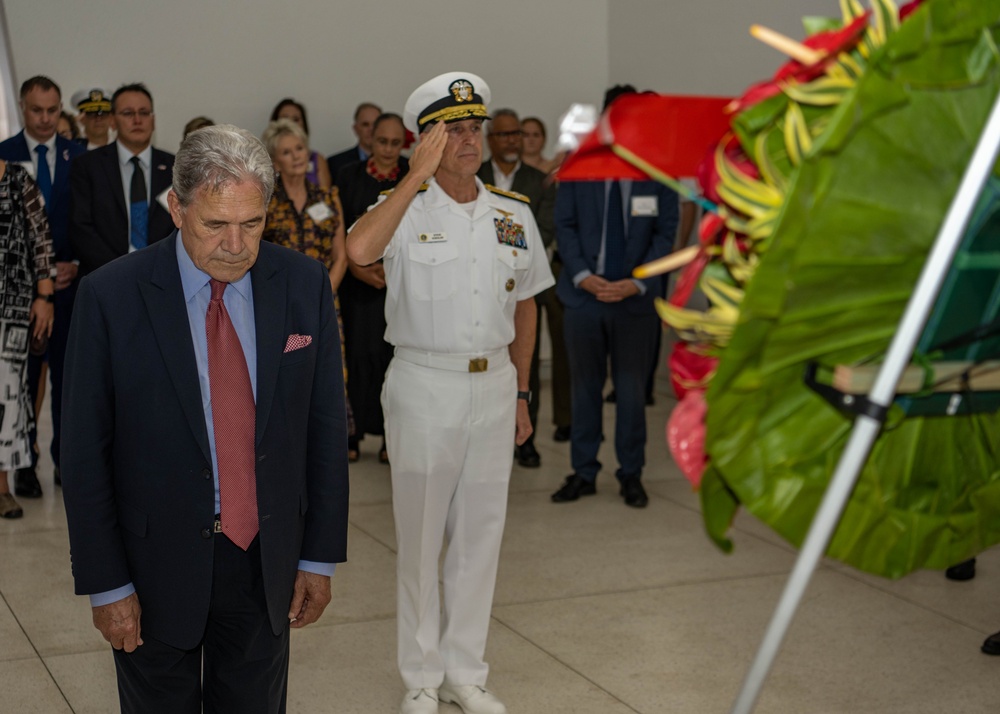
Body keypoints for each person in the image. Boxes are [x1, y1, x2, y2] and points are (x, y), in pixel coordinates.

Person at [61, 124, 350, 713]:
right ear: (176, 207)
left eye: (252, 223)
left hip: (264, 558)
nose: (236, 244)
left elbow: (321, 428)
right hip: (153, 566)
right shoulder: (111, 296)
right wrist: (108, 584)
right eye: (215, 224)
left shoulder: (302, 284)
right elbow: (84, 452)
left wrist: (317, 558)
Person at [348, 72, 554, 714]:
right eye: (455, 130)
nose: (471, 140)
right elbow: (357, 249)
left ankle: (467, 672)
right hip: (423, 385)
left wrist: (522, 395)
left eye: (476, 128)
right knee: (421, 536)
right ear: (428, 139)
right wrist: (412, 178)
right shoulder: (404, 209)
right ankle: (421, 677)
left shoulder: (510, 214)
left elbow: (526, 307)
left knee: (479, 536)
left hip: (493, 386)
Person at [550, 86, 678, 510]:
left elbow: (666, 232)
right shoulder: (578, 163)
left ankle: (631, 473)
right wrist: (585, 277)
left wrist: (638, 281)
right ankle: (583, 471)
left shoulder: (658, 168)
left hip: (634, 299)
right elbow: (563, 225)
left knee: (630, 392)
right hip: (584, 298)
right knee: (585, 388)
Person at [0, 75, 86, 499]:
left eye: (53, 110)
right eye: (37, 110)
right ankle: (25, 463)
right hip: (22, 294)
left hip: (72, 286)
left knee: (70, 380)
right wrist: (40, 274)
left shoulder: (80, 155)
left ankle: (66, 462)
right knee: (25, 377)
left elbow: (90, 218)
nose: (47, 118)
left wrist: (74, 263)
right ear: (22, 107)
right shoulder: (5, 156)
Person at [261, 118, 354, 440]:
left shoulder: (327, 198)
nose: (297, 156)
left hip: (326, 301)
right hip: (281, 306)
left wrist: (321, 293)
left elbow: (341, 255)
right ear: (275, 161)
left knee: (326, 371)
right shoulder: (267, 203)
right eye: (287, 152)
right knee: (286, 371)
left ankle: (329, 439)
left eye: (300, 148)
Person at [476, 108, 558, 468]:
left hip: (522, 284)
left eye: (517, 135)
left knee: (524, 357)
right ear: (490, 140)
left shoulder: (539, 180)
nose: (512, 141)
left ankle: (526, 437)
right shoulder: (473, 175)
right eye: (505, 134)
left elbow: (543, 231)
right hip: (479, 287)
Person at [336, 112, 409, 463]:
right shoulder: (349, 176)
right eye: (383, 141)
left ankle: (389, 436)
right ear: (370, 140)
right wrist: (355, 265)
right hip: (357, 283)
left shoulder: (413, 176)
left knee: (391, 357)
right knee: (356, 357)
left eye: (396, 143)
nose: (389, 149)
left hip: (400, 284)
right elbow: (340, 229)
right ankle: (354, 433)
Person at [69, 83, 175, 277]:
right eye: (128, 113)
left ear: (153, 120)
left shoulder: (175, 167)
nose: (137, 120)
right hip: (105, 276)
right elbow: (80, 226)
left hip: (162, 274)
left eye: (144, 113)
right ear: (112, 121)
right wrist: (121, 270)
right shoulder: (87, 165)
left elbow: (181, 225)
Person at [0, 161, 55, 519]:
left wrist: (44, 297)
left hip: (12, 309)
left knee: (7, 400)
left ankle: (2, 488)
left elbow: (41, 241)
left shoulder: (18, 179)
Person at [269, 98, 331, 189]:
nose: (290, 123)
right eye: (286, 152)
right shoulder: (265, 163)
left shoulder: (317, 159)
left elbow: (326, 195)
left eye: (296, 119)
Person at [327, 102, 382, 180]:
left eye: (375, 124)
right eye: (365, 124)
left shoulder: (401, 164)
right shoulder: (335, 163)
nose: (371, 129)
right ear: (355, 128)